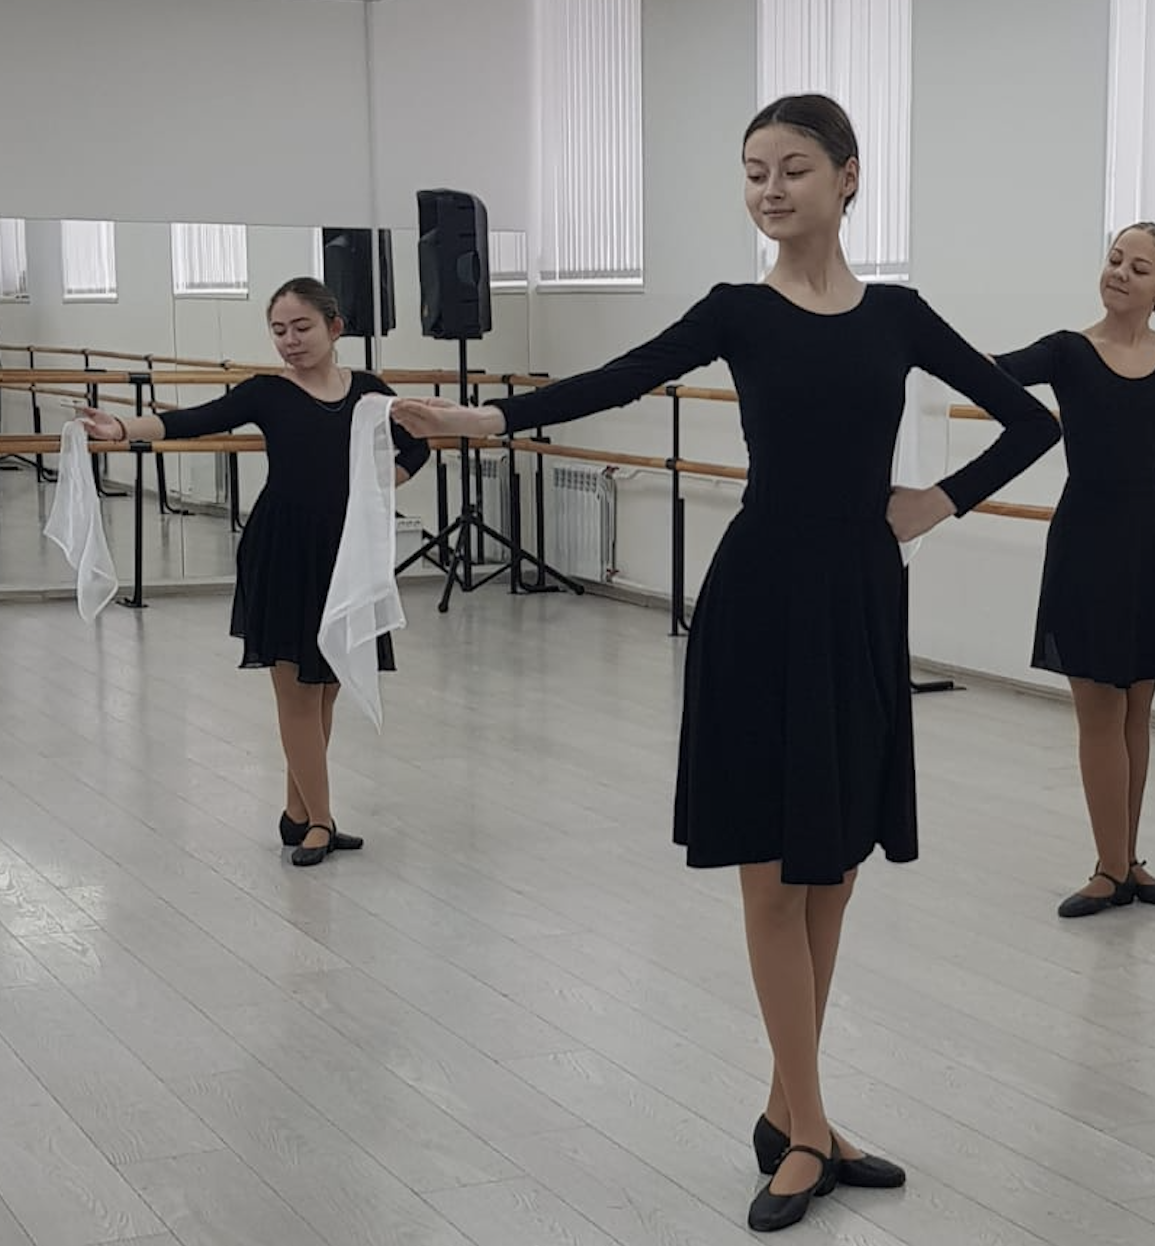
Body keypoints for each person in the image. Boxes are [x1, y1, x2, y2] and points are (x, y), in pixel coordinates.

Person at [391, 93, 1060, 1234]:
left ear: (848, 177)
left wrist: (938, 500)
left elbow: (1031, 423)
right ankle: (808, 1129)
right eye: (753, 171)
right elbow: (617, 378)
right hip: (760, 596)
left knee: (835, 866)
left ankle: (791, 1111)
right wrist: (489, 421)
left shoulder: (898, 316)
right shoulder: (736, 312)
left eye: (792, 168)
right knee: (773, 871)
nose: (768, 189)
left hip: (859, 595)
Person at [73, 277, 429, 867]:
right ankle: (321, 822)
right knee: (297, 691)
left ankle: (297, 812)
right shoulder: (268, 392)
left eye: (302, 327)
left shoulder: (369, 393)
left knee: (327, 686)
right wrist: (123, 428)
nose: (290, 340)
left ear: (335, 327)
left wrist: (385, 481)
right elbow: (195, 419)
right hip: (282, 548)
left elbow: (417, 441)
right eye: (279, 330)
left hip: (344, 552)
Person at [989, 222, 1155, 918]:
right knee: (1100, 713)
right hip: (1085, 543)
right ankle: (1109, 867)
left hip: (1146, 545)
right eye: (1114, 259)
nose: (1119, 273)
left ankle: (1127, 861)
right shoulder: (1067, 351)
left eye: (1138, 268)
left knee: (1137, 711)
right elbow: (991, 371)